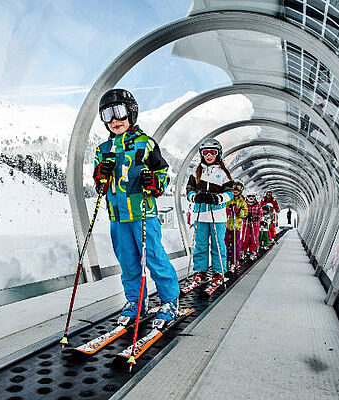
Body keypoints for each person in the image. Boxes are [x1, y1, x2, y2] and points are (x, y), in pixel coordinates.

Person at [93, 88, 180, 329]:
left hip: (143, 214)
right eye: (107, 114)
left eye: (119, 112)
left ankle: (170, 301)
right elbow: (100, 184)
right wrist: (100, 177)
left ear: (131, 113)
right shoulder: (102, 149)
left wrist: (154, 184)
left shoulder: (146, 144)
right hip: (117, 216)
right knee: (128, 261)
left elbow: (162, 174)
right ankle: (135, 301)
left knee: (153, 257)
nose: (114, 120)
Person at [186, 138, 234, 287]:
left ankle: (219, 271)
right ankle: (200, 271)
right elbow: (189, 190)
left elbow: (230, 193)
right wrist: (195, 196)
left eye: (212, 152)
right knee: (200, 244)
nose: (208, 155)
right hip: (200, 214)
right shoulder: (196, 172)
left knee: (218, 244)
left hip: (217, 215)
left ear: (218, 154)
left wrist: (218, 198)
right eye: (205, 152)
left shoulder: (223, 173)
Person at [225, 181, 248, 271]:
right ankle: (226, 259)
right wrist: (226, 210)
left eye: (238, 189)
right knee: (226, 243)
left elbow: (245, 213)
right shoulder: (227, 198)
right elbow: (222, 207)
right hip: (226, 224)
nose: (235, 191)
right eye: (234, 189)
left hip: (236, 225)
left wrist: (238, 211)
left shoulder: (241, 201)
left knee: (236, 243)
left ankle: (235, 260)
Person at [241, 193, 262, 260]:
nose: (251, 198)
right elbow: (241, 213)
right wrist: (245, 216)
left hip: (255, 224)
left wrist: (256, 218)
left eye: (252, 196)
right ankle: (242, 250)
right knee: (245, 237)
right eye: (249, 196)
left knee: (254, 237)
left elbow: (260, 214)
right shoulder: (244, 204)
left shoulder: (258, 205)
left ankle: (253, 251)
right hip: (246, 224)